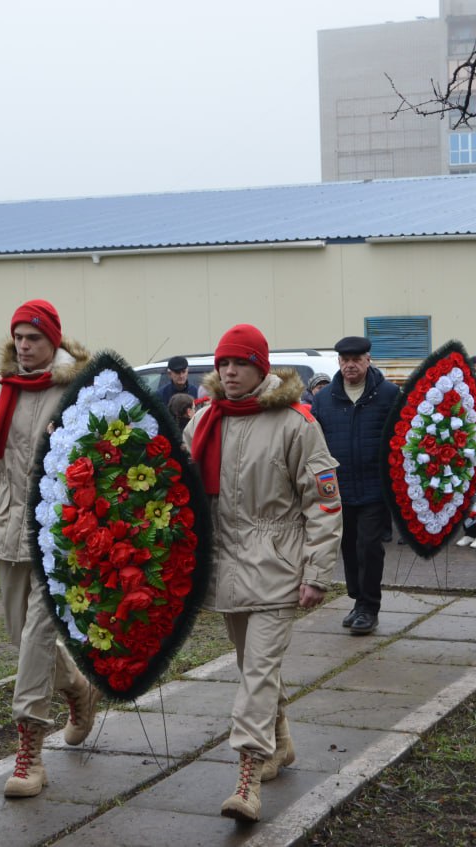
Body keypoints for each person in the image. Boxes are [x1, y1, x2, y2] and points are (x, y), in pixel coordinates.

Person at [184, 323, 341, 821]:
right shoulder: (202, 422)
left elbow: (323, 501)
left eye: (240, 363)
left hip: (277, 565)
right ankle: (281, 744)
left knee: (256, 672)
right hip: (223, 568)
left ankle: (247, 779)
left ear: (261, 366)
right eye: (223, 364)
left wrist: (316, 572)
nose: (229, 372)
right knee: (251, 664)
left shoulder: (297, 423)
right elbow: (180, 492)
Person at [0, 298, 100, 798]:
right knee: (20, 635)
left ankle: (29, 753)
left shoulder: (80, 391)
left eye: (34, 339)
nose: (24, 347)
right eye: (18, 338)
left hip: (63, 535)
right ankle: (79, 688)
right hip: (7, 529)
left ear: (54, 341)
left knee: (39, 635)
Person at [311, 335, 397, 635]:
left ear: (367, 360)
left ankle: (369, 607)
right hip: (339, 489)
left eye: (356, 360)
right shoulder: (323, 399)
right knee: (348, 547)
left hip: (375, 488)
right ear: (339, 362)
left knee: (369, 546)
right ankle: (358, 599)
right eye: (345, 360)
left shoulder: (389, 394)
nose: (350, 366)